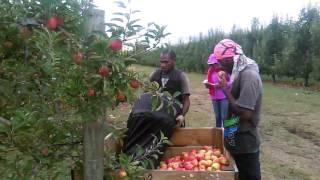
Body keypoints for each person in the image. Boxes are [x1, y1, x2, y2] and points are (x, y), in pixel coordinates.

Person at [213, 39, 263, 180]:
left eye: (221, 62)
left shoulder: (249, 76)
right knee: (237, 173)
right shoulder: (239, 70)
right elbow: (237, 97)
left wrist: (224, 88)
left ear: (230, 59)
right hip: (235, 133)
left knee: (249, 175)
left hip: (245, 140)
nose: (219, 66)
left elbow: (245, 113)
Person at [150, 49, 191, 127]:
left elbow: (186, 100)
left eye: (166, 62)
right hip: (156, 116)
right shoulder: (154, 74)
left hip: (174, 116)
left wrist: (182, 115)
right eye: (161, 62)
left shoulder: (181, 76)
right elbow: (146, 94)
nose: (163, 65)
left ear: (174, 61)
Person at [204, 53, 231, 127]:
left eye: (215, 63)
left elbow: (231, 83)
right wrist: (207, 84)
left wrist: (223, 84)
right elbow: (208, 80)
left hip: (224, 97)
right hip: (214, 97)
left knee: (224, 117)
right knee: (217, 117)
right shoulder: (210, 71)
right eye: (212, 64)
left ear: (218, 62)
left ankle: (227, 134)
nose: (213, 66)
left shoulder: (225, 70)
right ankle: (218, 133)